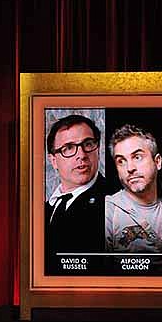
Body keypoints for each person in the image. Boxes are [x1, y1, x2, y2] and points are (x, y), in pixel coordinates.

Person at [45, 114, 109, 272]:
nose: (81, 155)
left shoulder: (117, 201)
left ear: (98, 150)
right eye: (68, 148)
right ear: (53, 160)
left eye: (88, 144)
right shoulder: (41, 210)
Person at [105, 124, 162, 252]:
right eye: (121, 161)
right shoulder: (108, 211)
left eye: (137, 157)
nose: (130, 168)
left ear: (157, 162)